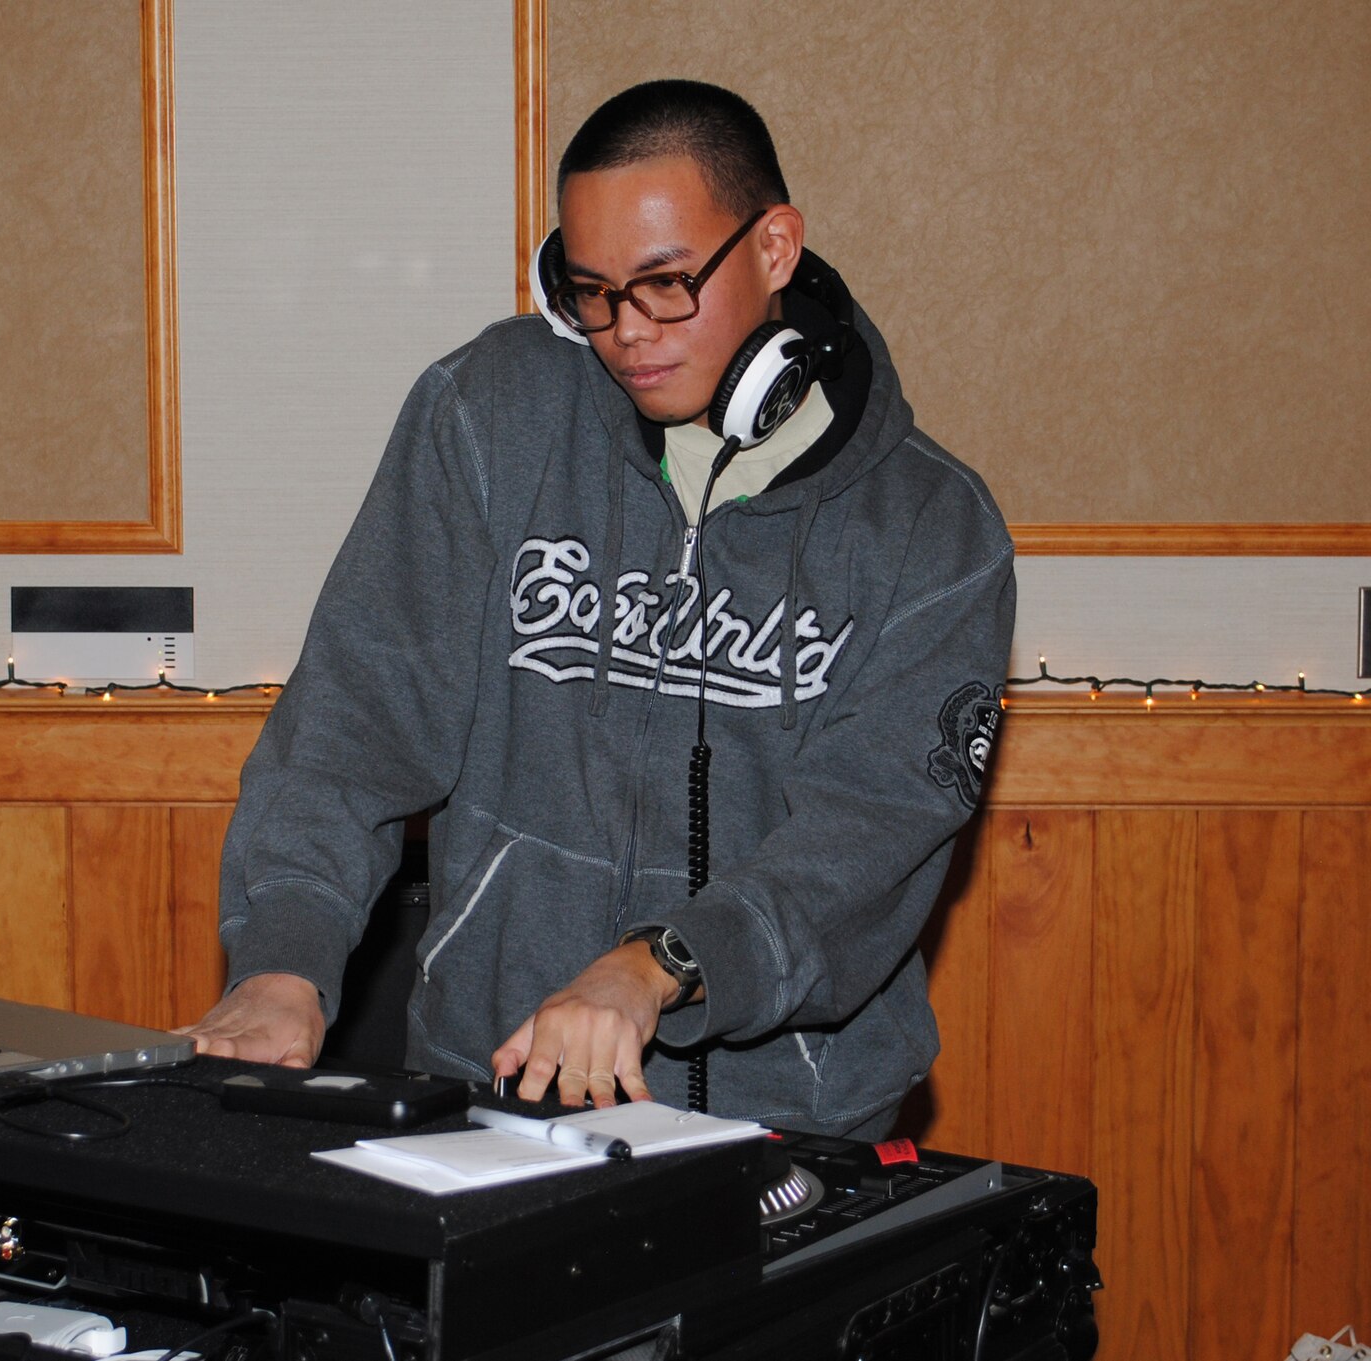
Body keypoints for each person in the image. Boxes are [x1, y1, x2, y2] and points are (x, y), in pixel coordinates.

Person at [181, 80, 1014, 1139]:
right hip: (490, 1085)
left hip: (790, 1120)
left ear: (774, 247)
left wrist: (662, 962)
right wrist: (284, 962)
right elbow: (355, 720)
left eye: (665, 285)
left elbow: (865, 841)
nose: (625, 332)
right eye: (590, 291)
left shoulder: (933, 531)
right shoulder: (492, 415)